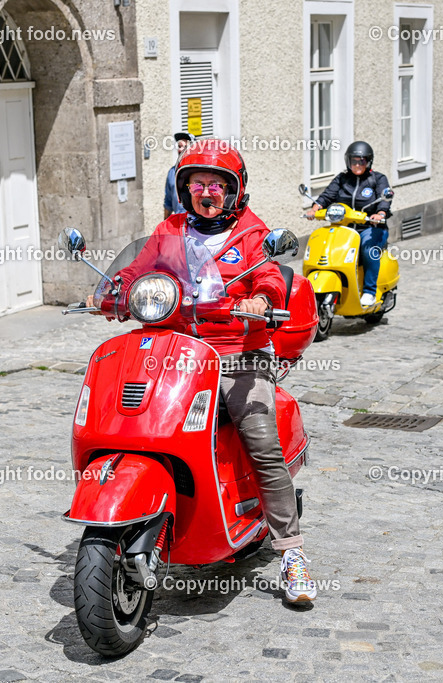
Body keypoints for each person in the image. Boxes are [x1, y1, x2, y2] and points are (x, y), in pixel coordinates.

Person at [99, 139, 317, 603]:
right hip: (174, 353)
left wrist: (262, 301)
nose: (207, 192)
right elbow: (140, 269)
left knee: (260, 440)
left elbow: (270, 276)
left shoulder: (251, 231)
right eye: (197, 183)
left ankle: (292, 554)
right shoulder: (169, 229)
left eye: (217, 184)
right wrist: (111, 291)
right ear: (185, 189)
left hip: (237, 354)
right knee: (132, 421)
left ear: (234, 191)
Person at [305, 140, 391, 308]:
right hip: (343, 228)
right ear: (348, 161)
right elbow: (327, 195)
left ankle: (369, 291)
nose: (357, 165)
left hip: (370, 228)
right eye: (354, 161)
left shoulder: (377, 179)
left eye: (362, 161)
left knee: (367, 249)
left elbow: (384, 199)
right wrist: (315, 208)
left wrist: (380, 213)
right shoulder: (343, 179)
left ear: (368, 161)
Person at [163, 132, 194, 218]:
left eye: (185, 146)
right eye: (179, 146)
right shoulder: (172, 172)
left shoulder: (198, 172)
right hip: (178, 225)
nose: (181, 149)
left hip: (196, 225)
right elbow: (168, 202)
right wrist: (165, 224)